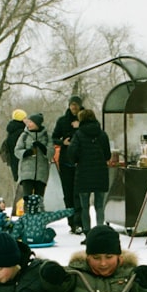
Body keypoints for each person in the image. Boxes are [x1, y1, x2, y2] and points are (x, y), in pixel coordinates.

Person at [67, 108, 111, 235]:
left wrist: (76, 160)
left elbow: (72, 152)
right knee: (99, 205)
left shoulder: (79, 134)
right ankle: (101, 232)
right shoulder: (102, 134)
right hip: (100, 173)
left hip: (83, 173)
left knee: (84, 206)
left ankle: (87, 232)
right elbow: (107, 155)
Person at [52, 95, 84, 234]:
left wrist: (79, 127)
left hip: (82, 162)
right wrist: (62, 143)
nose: (73, 107)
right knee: (68, 193)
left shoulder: (85, 120)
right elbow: (54, 137)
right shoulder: (62, 121)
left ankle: (80, 222)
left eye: (76, 105)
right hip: (66, 162)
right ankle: (71, 222)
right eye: (72, 105)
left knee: (80, 194)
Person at [15, 113, 52, 197]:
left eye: (31, 122)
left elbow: (50, 153)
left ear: (37, 124)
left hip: (41, 173)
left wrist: (41, 147)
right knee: (27, 198)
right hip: (26, 172)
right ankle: (27, 210)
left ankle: (39, 210)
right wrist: (26, 152)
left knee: (39, 198)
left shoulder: (46, 136)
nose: (29, 124)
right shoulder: (24, 136)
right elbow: (17, 151)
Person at [2, 108, 28, 198]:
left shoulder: (10, 132)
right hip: (22, 162)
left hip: (13, 162)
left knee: (19, 184)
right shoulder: (22, 132)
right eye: (25, 118)